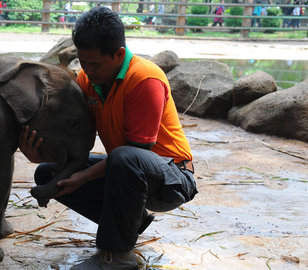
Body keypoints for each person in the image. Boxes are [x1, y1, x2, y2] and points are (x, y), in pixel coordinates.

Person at [19, 6, 197, 270]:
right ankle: (132, 222)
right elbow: (79, 140)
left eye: (95, 64)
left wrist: (83, 176)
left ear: (119, 54)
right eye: (83, 62)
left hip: (171, 180)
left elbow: (138, 151)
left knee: (125, 158)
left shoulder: (144, 79)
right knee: (48, 174)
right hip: (126, 172)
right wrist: (40, 154)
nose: (88, 71)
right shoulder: (88, 80)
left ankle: (117, 255)